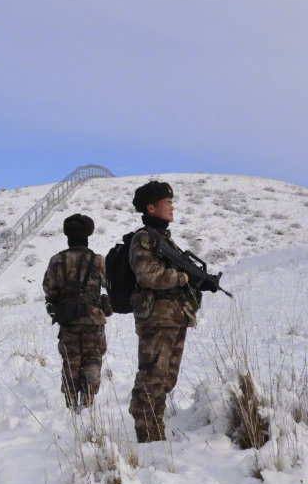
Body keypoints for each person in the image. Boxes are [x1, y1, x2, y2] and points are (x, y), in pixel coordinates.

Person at [127, 180, 217, 442]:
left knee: (165, 381)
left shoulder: (164, 239)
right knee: (151, 379)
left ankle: (157, 434)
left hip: (175, 318)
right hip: (156, 319)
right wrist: (184, 278)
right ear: (151, 207)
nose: (172, 207)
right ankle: (146, 438)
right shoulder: (144, 239)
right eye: (167, 203)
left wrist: (202, 281)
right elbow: (148, 275)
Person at [42, 213, 110, 409]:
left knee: (71, 361)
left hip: (68, 319)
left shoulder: (57, 260)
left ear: (68, 236)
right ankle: (88, 403)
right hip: (94, 319)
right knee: (92, 359)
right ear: (87, 235)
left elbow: (48, 288)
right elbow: (111, 286)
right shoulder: (98, 260)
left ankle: (71, 406)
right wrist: (105, 304)